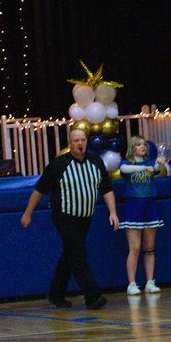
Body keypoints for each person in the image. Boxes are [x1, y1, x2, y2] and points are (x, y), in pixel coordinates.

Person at [21, 127, 117, 310]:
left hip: (85, 217)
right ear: (70, 144)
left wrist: (113, 213)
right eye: (76, 141)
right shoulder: (59, 165)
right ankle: (93, 296)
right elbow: (39, 190)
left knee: (70, 255)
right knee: (78, 254)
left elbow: (106, 189)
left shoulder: (96, 162)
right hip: (64, 216)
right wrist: (28, 213)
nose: (80, 143)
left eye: (82, 140)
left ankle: (56, 294)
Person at [119, 136, 167, 295]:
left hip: (149, 206)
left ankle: (150, 282)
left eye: (144, 144)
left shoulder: (151, 162)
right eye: (139, 144)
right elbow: (124, 171)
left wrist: (159, 164)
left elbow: (158, 169)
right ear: (133, 148)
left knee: (149, 247)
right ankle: (131, 284)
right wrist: (143, 168)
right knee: (135, 247)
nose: (143, 147)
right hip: (133, 207)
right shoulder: (126, 163)